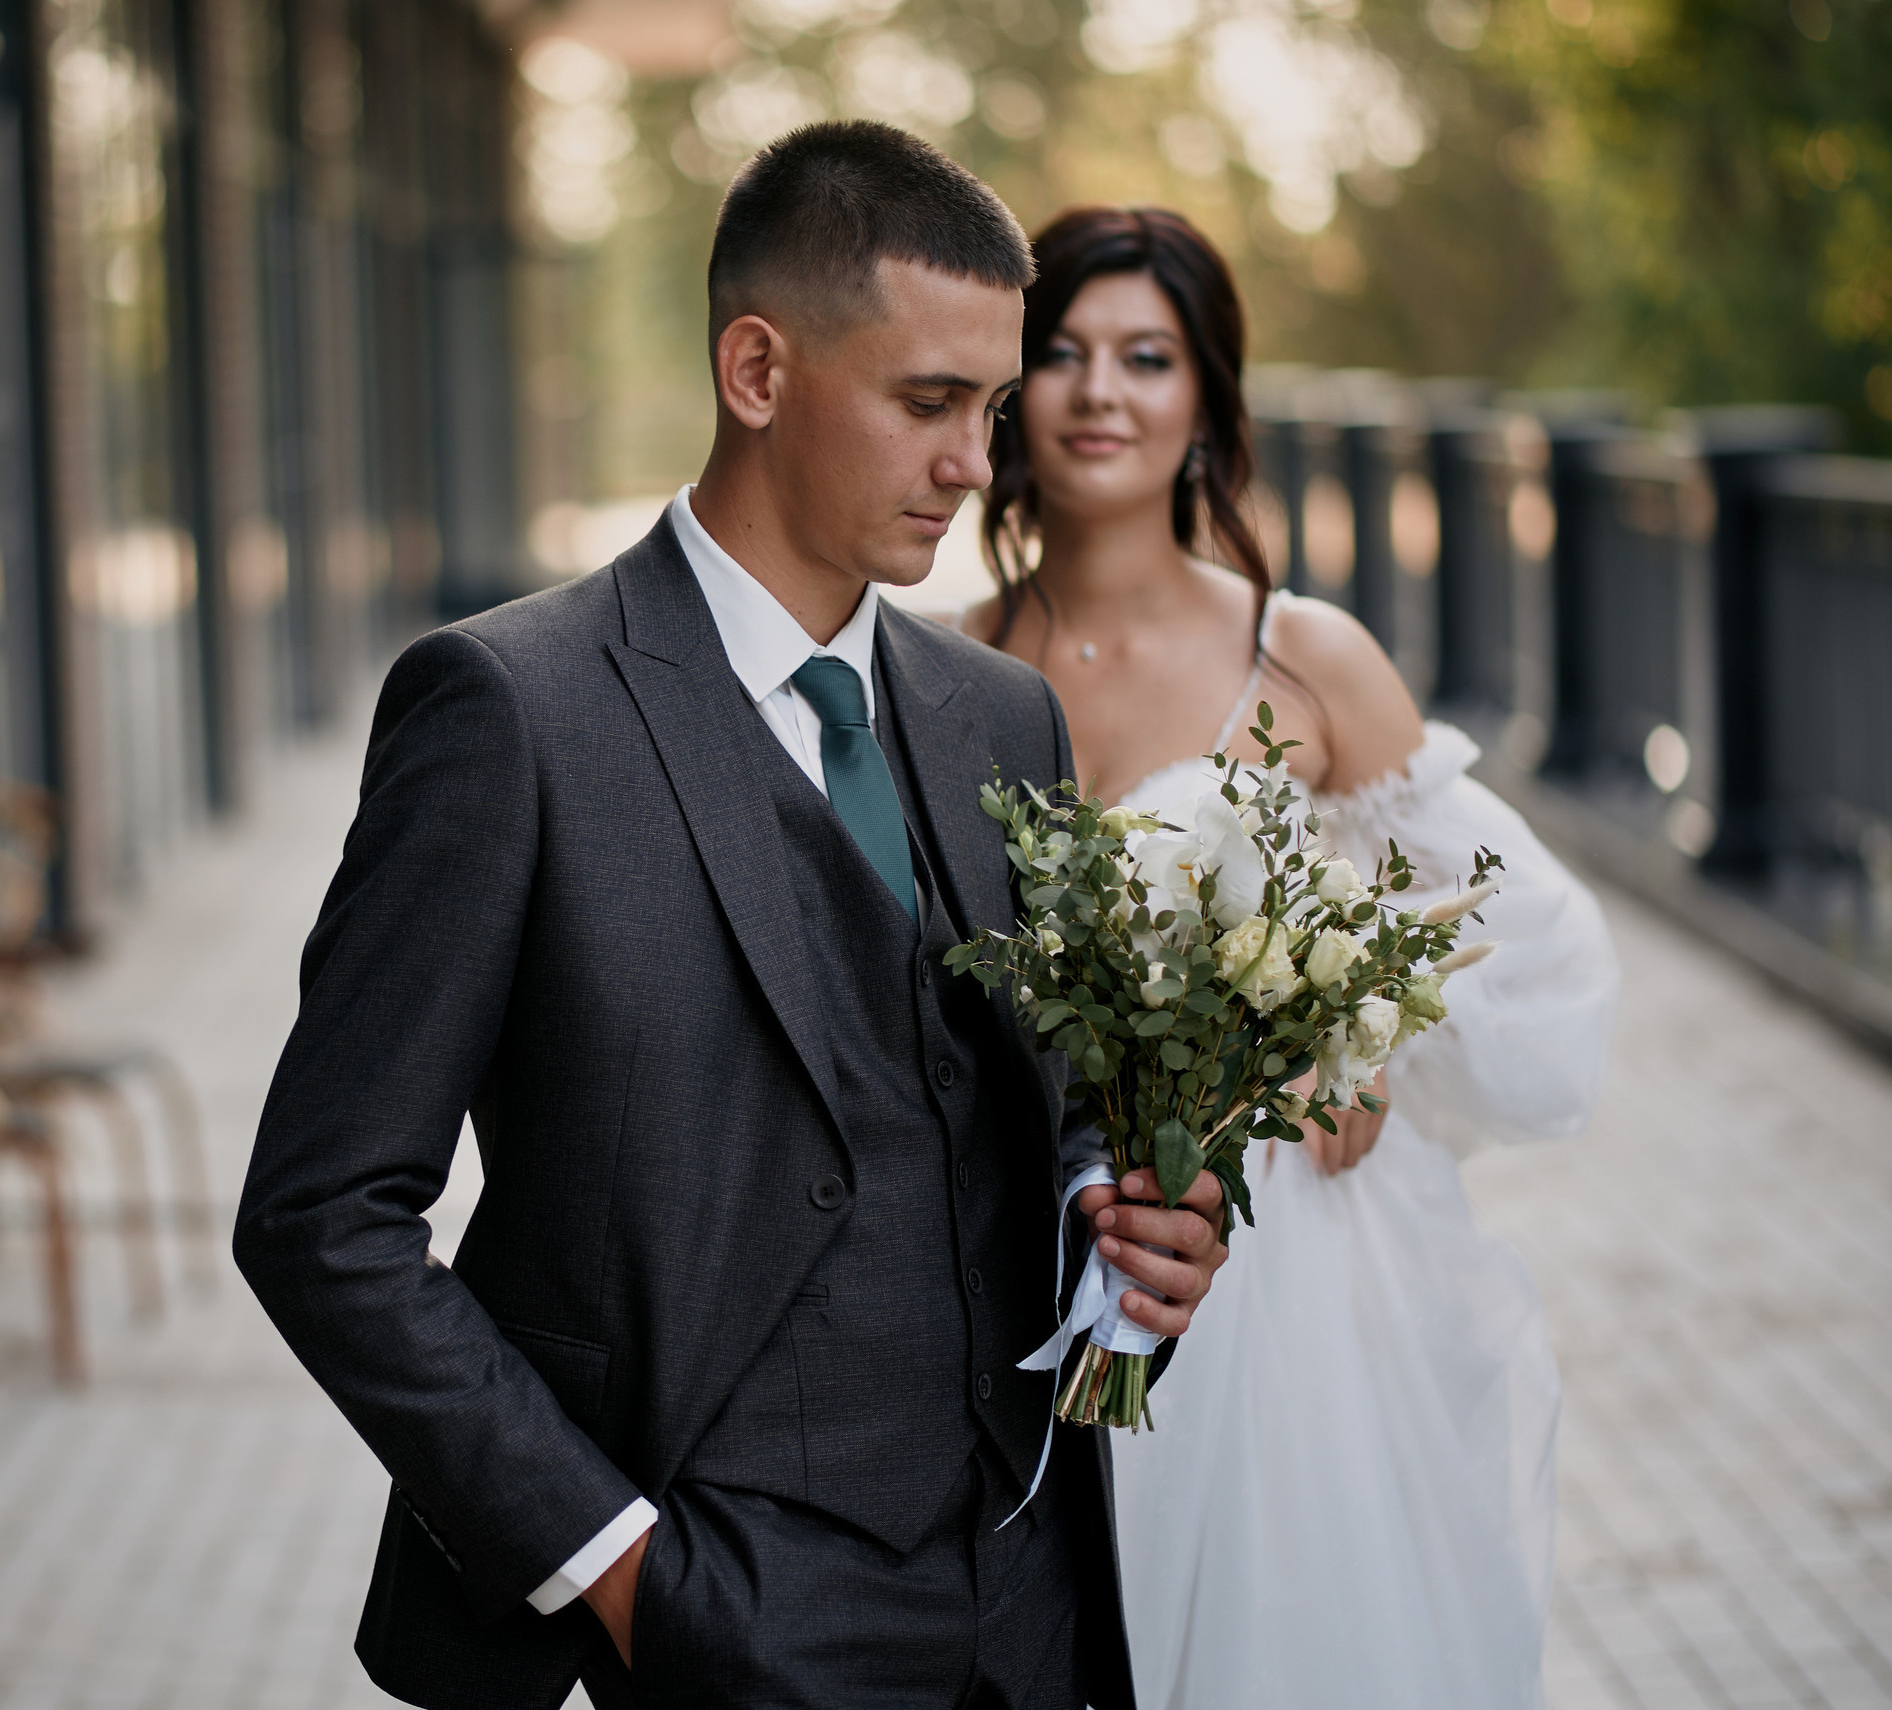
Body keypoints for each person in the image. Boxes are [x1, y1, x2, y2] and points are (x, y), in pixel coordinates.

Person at [235, 127, 1233, 1710]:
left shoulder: (1004, 722)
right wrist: (617, 1565)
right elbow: (319, 1215)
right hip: (717, 1611)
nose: (980, 463)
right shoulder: (510, 709)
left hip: (1030, 1609)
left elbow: (1023, 1126)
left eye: (986, 407)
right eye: (926, 404)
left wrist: (1133, 1232)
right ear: (757, 370)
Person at [964, 204, 1619, 1710]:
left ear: (1206, 400)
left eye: (1147, 355)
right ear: (1011, 388)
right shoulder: (948, 659)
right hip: (1041, 1244)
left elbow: (1516, 926)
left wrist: (1364, 1040)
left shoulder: (1301, 654)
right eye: (1058, 352)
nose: (1100, 391)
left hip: (1287, 1269)